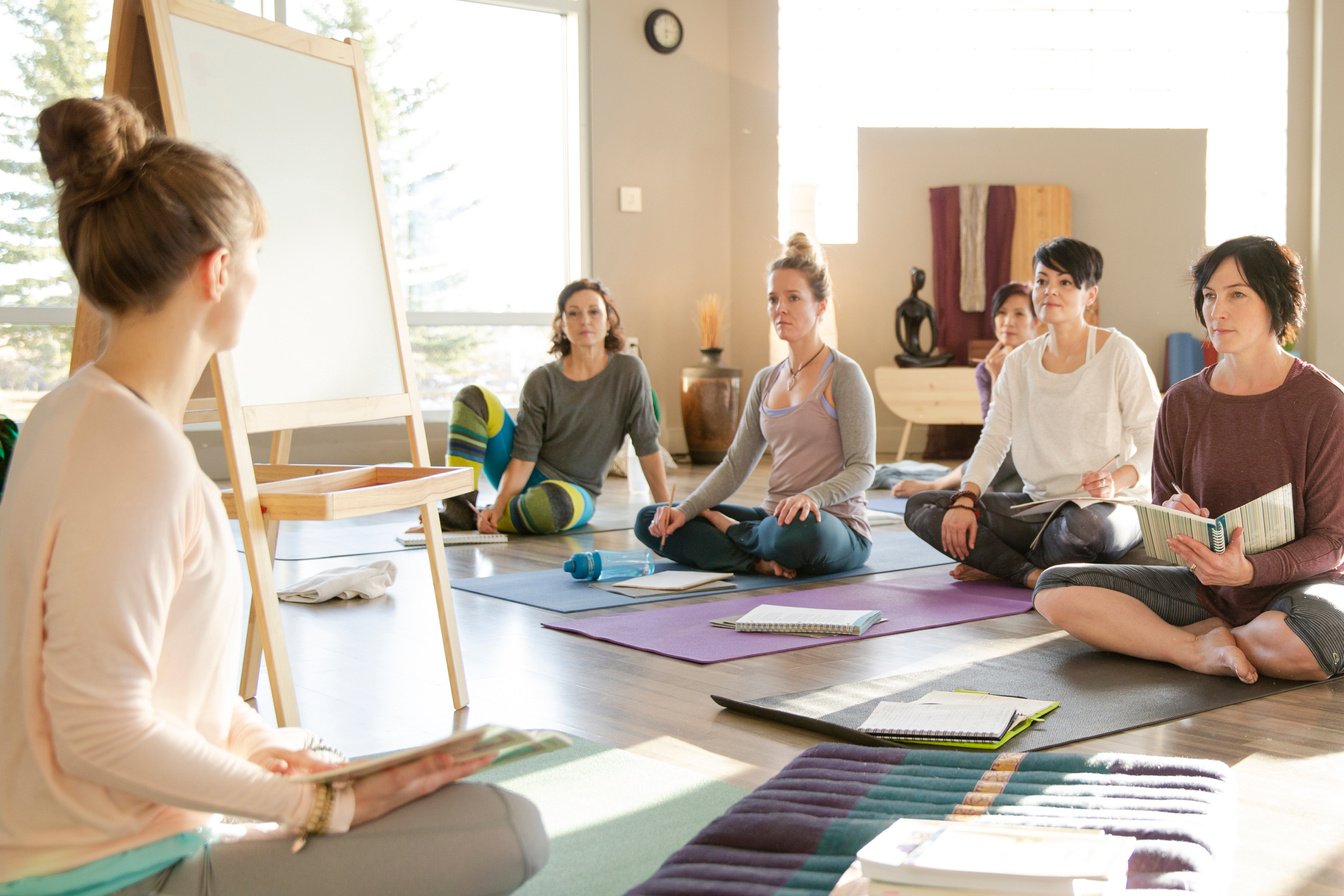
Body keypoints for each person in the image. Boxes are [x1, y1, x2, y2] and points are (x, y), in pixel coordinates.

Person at [0, 96, 547, 895]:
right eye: (256, 255)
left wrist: (260, 745)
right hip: (105, 878)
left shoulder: (72, 414)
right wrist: (310, 805)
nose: (260, 277)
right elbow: (95, 728)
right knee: (509, 827)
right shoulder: (133, 453)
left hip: (101, 854)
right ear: (218, 270)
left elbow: (158, 683)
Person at [1035, 236, 1344, 683]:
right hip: (1205, 588)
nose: (1217, 311)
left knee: (1313, 643)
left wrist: (1251, 570)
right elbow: (1162, 508)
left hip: (1298, 589)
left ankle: (1194, 638)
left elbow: (1333, 540)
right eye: (1210, 295)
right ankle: (1195, 649)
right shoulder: (1181, 402)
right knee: (1055, 589)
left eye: (1237, 294)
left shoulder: (1325, 403)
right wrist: (1174, 518)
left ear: (1277, 300)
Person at [904, 237, 1161, 588]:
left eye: (1065, 282)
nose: (1050, 291)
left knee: (1082, 530)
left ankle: (999, 563)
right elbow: (994, 439)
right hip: (1037, 507)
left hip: (1111, 507)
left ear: (1090, 295)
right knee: (924, 507)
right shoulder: (1019, 362)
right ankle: (1029, 573)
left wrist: (1115, 480)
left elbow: (1153, 441)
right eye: (1042, 281)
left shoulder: (1120, 353)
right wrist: (966, 498)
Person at [635, 233, 876, 579]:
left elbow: (863, 468)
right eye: (773, 299)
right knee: (653, 520)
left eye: (793, 298)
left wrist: (811, 497)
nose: (781, 309)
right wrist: (687, 511)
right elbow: (735, 465)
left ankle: (734, 533)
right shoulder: (766, 380)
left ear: (821, 305)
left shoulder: (844, 375)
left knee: (798, 533)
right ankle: (757, 561)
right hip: (773, 520)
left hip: (830, 525)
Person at [434, 278, 671, 535]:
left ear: (608, 320)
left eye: (594, 311)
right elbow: (524, 456)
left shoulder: (629, 372)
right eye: (573, 313)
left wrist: (667, 508)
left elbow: (647, 446)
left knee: (548, 507)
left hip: (574, 493)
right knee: (472, 397)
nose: (585, 320)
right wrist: (501, 502)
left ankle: (486, 517)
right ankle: (460, 513)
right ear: (562, 324)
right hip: (522, 473)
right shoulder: (541, 380)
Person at [889, 281, 1041, 497]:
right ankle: (977, 489)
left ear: (1035, 321)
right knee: (1008, 490)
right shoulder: (986, 369)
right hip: (1011, 462)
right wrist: (996, 377)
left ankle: (938, 485)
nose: (1008, 322)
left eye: (1019, 314)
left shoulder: (1044, 362)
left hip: (1040, 456)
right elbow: (994, 431)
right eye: (1001, 313)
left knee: (1017, 451)